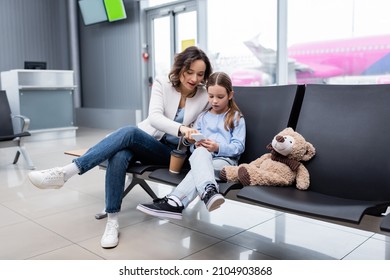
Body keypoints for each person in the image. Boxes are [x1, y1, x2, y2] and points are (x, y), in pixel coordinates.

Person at [27, 46, 213, 249]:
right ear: (180, 69)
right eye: (190, 72)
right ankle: (112, 220)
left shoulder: (205, 96)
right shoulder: (163, 84)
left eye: (200, 74)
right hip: (150, 142)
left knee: (129, 132)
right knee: (120, 154)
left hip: (172, 155)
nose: (194, 78)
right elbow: (155, 118)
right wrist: (182, 128)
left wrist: (192, 134)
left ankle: (66, 173)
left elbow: (210, 121)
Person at [136, 72, 246, 220]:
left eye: (220, 97)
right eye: (211, 96)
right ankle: (209, 191)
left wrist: (217, 147)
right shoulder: (202, 117)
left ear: (230, 95)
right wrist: (194, 143)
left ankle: (174, 201)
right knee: (200, 154)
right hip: (202, 159)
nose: (214, 101)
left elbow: (239, 147)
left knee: (199, 167)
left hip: (225, 163)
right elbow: (192, 148)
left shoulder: (236, 118)